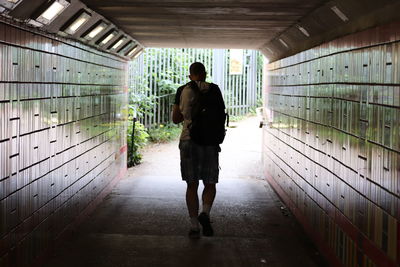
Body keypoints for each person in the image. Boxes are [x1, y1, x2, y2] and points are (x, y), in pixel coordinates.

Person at [172, 62, 224, 238]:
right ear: (205, 74)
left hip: (189, 141)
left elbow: (175, 119)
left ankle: (194, 226)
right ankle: (205, 213)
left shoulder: (182, 90)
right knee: (210, 183)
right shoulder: (215, 89)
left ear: (190, 75)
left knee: (191, 184)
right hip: (210, 142)